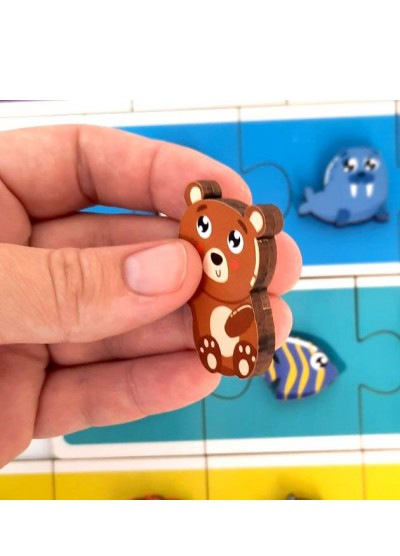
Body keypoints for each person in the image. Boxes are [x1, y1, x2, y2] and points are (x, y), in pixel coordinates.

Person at [0, 125, 302, 467]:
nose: (215, 252)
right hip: (206, 323)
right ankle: (218, 349)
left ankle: (237, 352)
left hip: (235, 319)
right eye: (204, 227)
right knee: (203, 337)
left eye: (233, 242)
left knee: (233, 329)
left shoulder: (243, 284)